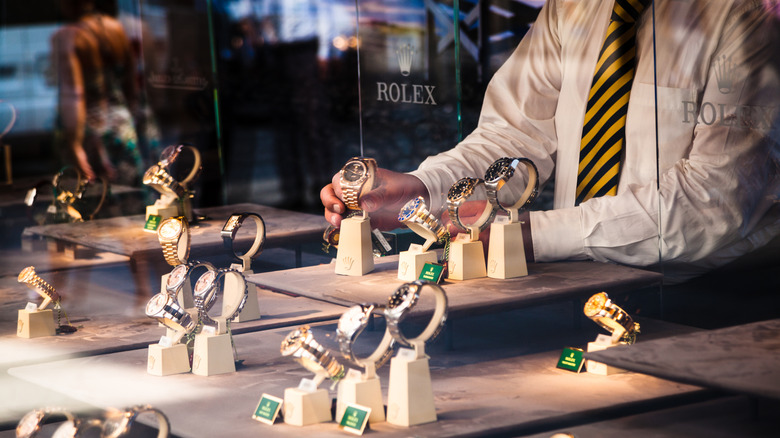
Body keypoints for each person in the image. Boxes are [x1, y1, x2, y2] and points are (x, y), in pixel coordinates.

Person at [321, 0, 780, 283]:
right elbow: (515, 135)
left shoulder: (747, 12)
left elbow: (713, 200)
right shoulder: (573, 6)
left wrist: (527, 236)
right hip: (575, 281)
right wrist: (422, 190)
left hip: (710, 296)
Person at [51, 0, 143, 185]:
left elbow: (74, 94)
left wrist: (74, 144)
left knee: (90, 195)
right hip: (122, 127)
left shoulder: (68, 36)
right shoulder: (117, 28)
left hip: (89, 131)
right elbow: (131, 86)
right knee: (129, 192)